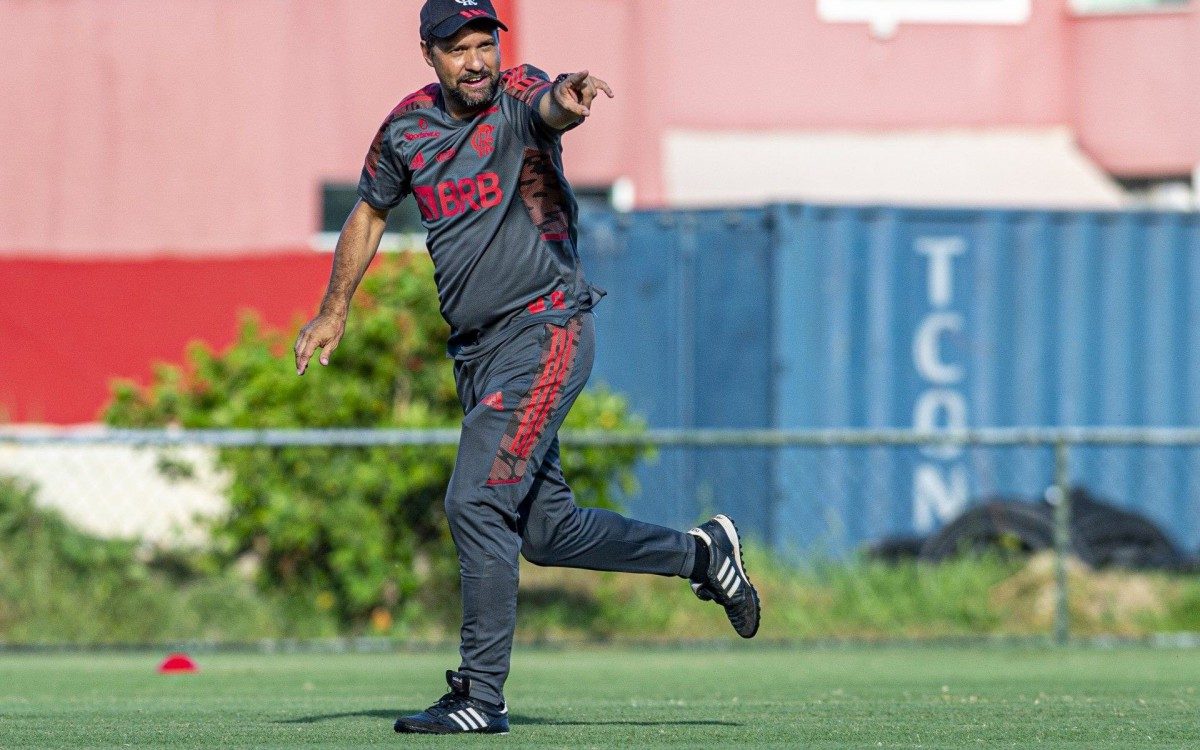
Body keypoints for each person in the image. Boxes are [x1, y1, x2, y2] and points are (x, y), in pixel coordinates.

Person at [293, 0, 760, 736]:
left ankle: (481, 695)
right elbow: (370, 211)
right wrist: (334, 308)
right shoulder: (407, 129)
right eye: (458, 49)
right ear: (429, 55)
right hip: (477, 354)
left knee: (476, 501)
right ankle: (702, 556)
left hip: (545, 329)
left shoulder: (517, 97)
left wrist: (567, 100)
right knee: (546, 532)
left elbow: (550, 107)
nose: (476, 60)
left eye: (485, 43)